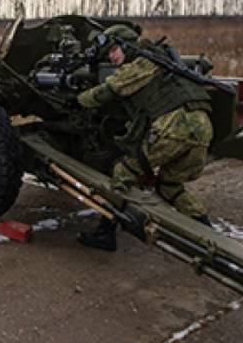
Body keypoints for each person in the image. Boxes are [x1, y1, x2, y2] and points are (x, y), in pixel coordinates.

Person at [75, 24, 214, 251]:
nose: (111, 57)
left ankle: (105, 234)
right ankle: (211, 237)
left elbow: (105, 93)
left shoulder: (141, 63)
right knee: (170, 186)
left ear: (126, 44)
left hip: (174, 128)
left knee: (122, 173)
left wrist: (78, 99)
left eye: (113, 50)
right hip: (201, 126)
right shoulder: (159, 58)